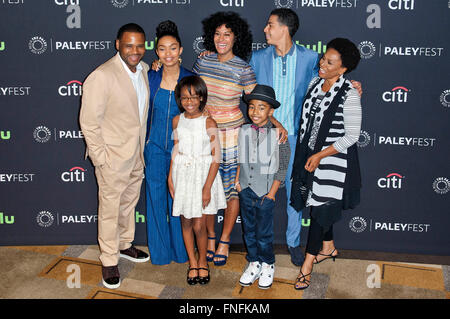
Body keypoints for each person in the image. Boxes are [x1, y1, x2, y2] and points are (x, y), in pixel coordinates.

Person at [249, 8, 362, 266]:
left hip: (299, 142)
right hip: (265, 137)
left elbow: (330, 83)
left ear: (285, 29)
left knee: (295, 197)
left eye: (270, 25)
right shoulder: (257, 58)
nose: (265, 29)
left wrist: (352, 85)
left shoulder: (312, 59)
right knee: (259, 194)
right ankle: (257, 248)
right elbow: (247, 90)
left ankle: (292, 243)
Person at [79, 23, 150, 289]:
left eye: (140, 45)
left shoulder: (143, 70)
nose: (135, 50)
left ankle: (124, 244)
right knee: (110, 210)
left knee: (128, 203)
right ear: (117, 44)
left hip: (136, 155)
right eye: (129, 45)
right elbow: (89, 122)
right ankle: (109, 260)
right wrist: (100, 158)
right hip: (112, 158)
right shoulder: (102, 76)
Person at [290, 38, 362, 290]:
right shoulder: (314, 83)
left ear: (342, 69)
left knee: (320, 210)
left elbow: (352, 135)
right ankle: (328, 247)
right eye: (323, 58)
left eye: (330, 62)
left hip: (332, 162)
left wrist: (321, 155)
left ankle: (307, 266)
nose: (322, 63)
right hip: (308, 154)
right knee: (318, 204)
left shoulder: (350, 94)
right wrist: (309, 153)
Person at [192, 11, 258, 266]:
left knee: (231, 191)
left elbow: (257, 104)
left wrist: (275, 124)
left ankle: (224, 240)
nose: (221, 39)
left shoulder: (244, 69)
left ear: (236, 38)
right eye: (217, 33)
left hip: (232, 137)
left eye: (227, 34)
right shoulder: (203, 62)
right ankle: (210, 237)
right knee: (205, 187)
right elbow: (194, 96)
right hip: (204, 134)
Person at [169, 75, 227, 285]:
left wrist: (207, 188)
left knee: (199, 225)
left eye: (194, 97)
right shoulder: (177, 120)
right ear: (179, 99)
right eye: (184, 98)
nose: (189, 101)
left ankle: (203, 260)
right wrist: (170, 178)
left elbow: (216, 157)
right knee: (185, 222)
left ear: (202, 97)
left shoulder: (209, 122)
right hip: (181, 175)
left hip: (203, 176)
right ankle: (192, 262)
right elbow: (175, 151)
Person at [145, 20, 193, 265]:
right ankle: (160, 254)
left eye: (173, 48)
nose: (168, 54)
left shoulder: (191, 79)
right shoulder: (150, 76)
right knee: (155, 200)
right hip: (153, 148)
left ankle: (181, 252)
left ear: (181, 50)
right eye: (162, 49)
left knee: (178, 201)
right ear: (157, 52)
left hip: (181, 151)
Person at [236, 84, 291, 290]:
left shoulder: (279, 135)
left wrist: (272, 194)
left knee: (264, 233)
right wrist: (238, 182)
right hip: (246, 190)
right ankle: (254, 262)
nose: (255, 112)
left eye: (261, 107)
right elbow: (241, 158)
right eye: (251, 107)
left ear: (271, 111)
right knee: (249, 230)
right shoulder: (244, 129)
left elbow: (283, 165)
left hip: (266, 193)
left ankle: (268, 264)